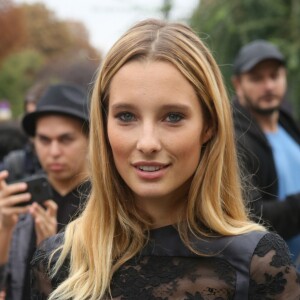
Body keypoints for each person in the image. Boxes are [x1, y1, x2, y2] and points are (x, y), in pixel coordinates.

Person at [31, 19, 300, 300]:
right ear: (103, 125)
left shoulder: (260, 265)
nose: (147, 142)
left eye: (173, 117)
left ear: (208, 125)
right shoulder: (56, 263)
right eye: (126, 116)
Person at [0, 83, 90, 300]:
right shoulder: (24, 196)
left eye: (66, 139)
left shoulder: (104, 202)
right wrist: (4, 227)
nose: (54, 152)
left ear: (90, 137)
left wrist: (50, 250)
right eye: (44, 140)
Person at [231, 40, 300, 268]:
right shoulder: (234, 141)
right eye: (257, 78)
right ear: (238, 85)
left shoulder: (286, 121)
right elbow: (248, 217)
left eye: (274, 75)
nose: (269, 85)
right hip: (273, 277)